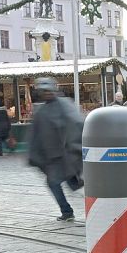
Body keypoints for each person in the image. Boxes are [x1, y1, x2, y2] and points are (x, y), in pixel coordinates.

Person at [28, 78, 84, 221]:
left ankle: (78, 210)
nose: (46, 93)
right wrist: (36, 155)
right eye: (44, 91)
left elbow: (76, 125)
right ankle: (67, 211)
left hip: (67, 155)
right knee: (55, 183)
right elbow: (36, 134)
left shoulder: (64, 105)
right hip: (53, 158)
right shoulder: (42, 111)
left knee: (75, 183)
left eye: (48, 90)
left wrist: (74, 148)